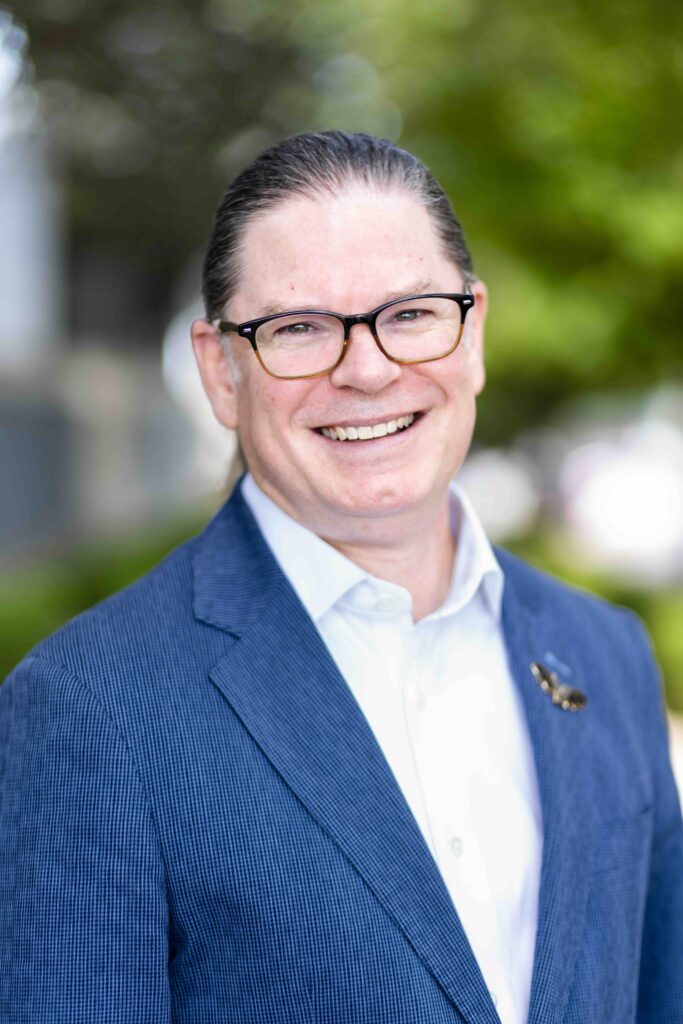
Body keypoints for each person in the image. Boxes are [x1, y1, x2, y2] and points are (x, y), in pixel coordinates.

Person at [0, 131, 681, 1024]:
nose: (366, 369)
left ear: (471, 330)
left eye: (408, 314)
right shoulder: (88, 710)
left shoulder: (605, 652)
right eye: (299, 328)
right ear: (221, 371)